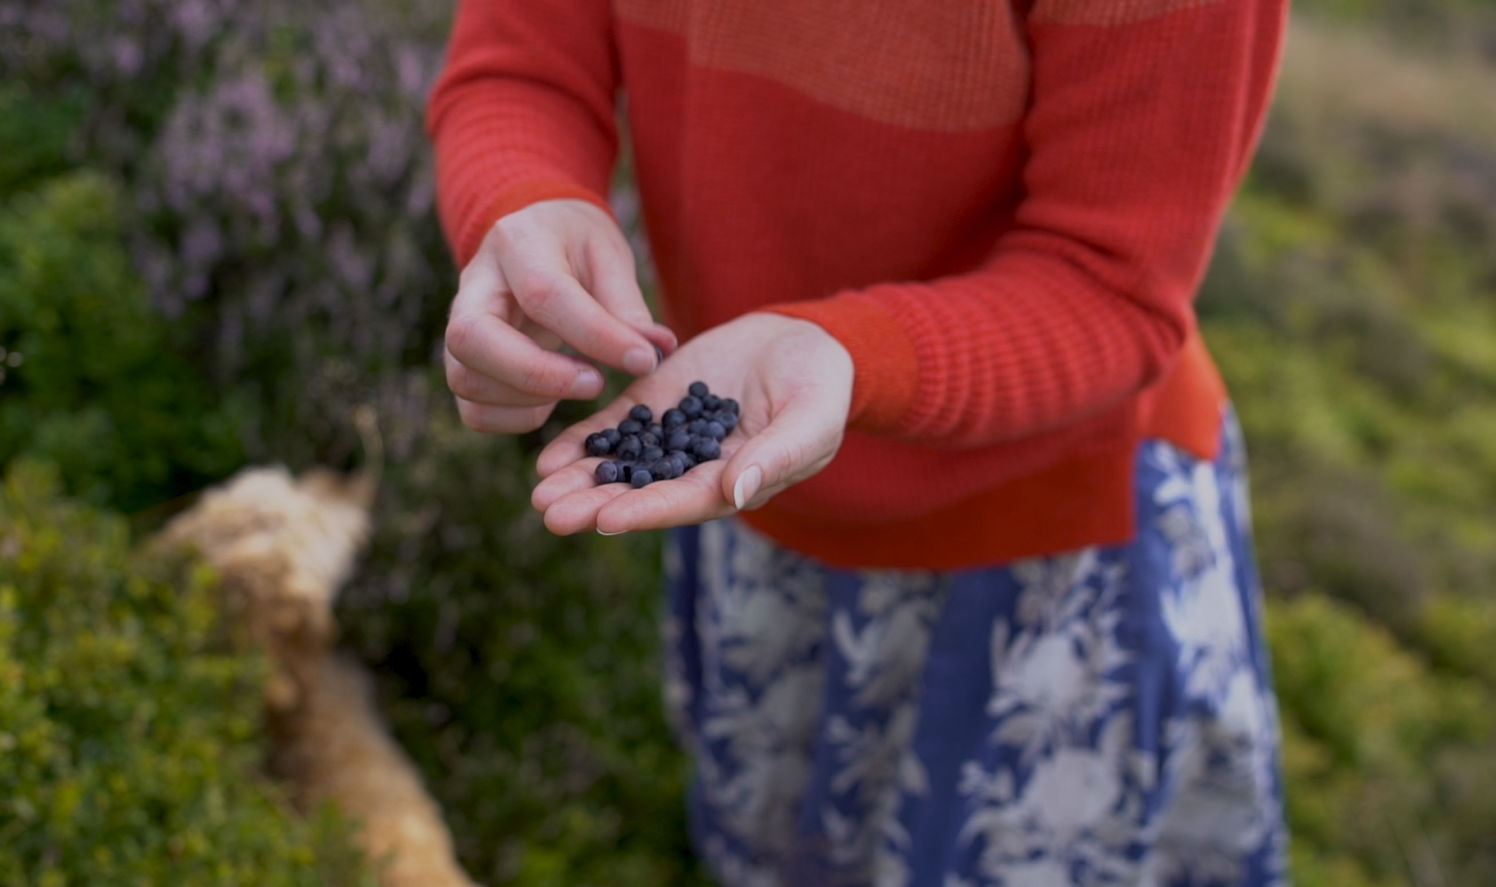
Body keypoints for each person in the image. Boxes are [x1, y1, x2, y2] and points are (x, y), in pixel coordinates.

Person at [427, 0, 1291, 884]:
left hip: (1046, 544)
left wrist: (854, 356)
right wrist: (526, 199)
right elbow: (523, 63)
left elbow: (1112, 280)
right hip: (757, 481)